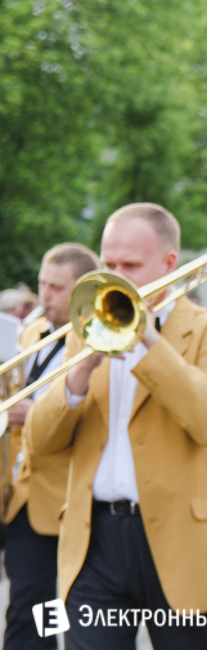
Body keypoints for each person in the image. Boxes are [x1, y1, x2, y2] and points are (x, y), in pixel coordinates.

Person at [26, 203, 207, 650]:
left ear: (169, 264)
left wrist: (146, 339)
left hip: (181, 541)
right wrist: (79, 376)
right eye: (109, 264)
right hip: (95, 541)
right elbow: (41, 442)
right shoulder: (88, 326)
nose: (116, 276)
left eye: (131, 266)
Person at [2, 243, 99, 650]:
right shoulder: (32, 331)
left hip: (70, 497)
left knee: (72, 611)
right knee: (28, 608)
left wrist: (36, 410)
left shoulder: (98, 336)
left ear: (81, 291)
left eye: (56, 288)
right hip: (23, 494)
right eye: (42, 284)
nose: (44, 296)